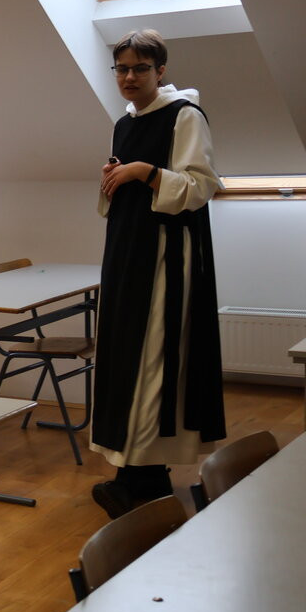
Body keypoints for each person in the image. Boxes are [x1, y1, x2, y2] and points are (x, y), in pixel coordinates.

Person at [91, 29, 226, 518]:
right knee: (125, 354)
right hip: (128, 250)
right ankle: (132, 471)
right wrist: (115, 176)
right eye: (122, 69)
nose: (129, 77)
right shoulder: (123, 123)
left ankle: (146, 477)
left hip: (166, 254)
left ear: (160, 71)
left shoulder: (184, 115)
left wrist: (143, 172)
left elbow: (201, 186)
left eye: (140, 68)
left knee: (154, 359)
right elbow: (121, 187)